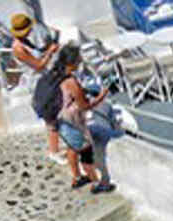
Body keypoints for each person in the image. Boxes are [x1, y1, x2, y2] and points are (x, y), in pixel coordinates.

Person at [54, 45, 115, 193]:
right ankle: (98, 184)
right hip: (74, 122)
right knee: (86, 155)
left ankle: (77, 177)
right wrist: (102, 95)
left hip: (61, 120)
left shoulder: (57, 74)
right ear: (72, 61)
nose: (81, 60)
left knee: (71, 148)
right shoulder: (71, 82)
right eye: (78, 58)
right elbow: (85, 106)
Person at [9, 13, 62, 163]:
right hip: (39, 84)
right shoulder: (18, 48)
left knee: (55, 114)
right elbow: (38, 65)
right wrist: (51, 52)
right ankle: (54, 151)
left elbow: (38, 57)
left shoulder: (25, 41)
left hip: (44, 80)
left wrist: (48, 47)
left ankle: (56, 147)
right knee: (51, 118)